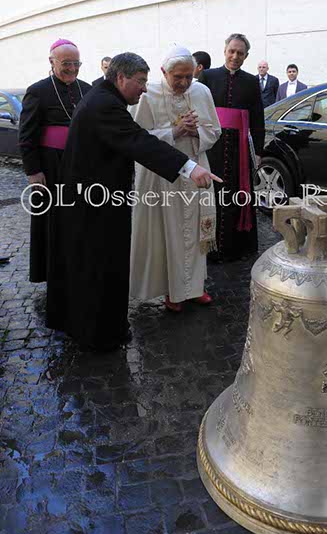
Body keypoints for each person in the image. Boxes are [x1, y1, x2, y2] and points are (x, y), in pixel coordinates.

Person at [46, 52, 220, 352]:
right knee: (99, 268)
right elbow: (139, 141)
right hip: (95, 203)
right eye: (139, 81)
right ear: (120, 77)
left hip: (94, 198)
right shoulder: (105, 105)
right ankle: (100, 335)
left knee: (93, 266)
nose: (143, 88)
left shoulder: (102, 97)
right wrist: (190, 168)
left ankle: (96, 328)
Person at [130, 45, 221, 312]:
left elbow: (214, 130)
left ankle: (194, 288)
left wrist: (195, 132)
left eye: (188, 76)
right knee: (167, 233)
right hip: (162, 176)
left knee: (195, 230)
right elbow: (137, 139)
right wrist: (175, 131)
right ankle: (172, 291)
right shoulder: (148, 95)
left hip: (196, 171)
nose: (183, 83)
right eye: (177, 77)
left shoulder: (201, 92)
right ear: (163, 72)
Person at [19, 38, 91, 282]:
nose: (72, 69)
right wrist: (33, 171)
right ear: (52, 62)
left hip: (81, 164)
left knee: (80, 217)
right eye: (66, 63)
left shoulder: (87, 89)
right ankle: (52, 272)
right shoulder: (37, 91)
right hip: (50, 166)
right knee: (51, 220)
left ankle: (77, 267)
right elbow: (26, 135)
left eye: (76, 63)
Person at [198, 33, 265, 261]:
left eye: (240, 53)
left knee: (238, 194)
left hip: (239, 150)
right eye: (232, 51)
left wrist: (259, 151)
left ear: (246, 56)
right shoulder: (208, 76)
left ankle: (236, 247)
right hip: (212, 146)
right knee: (212, 194)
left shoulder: (251, 81)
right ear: (225, 50)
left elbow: (257, 117)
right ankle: (209, 246)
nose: (235, 56)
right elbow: (198, 109)